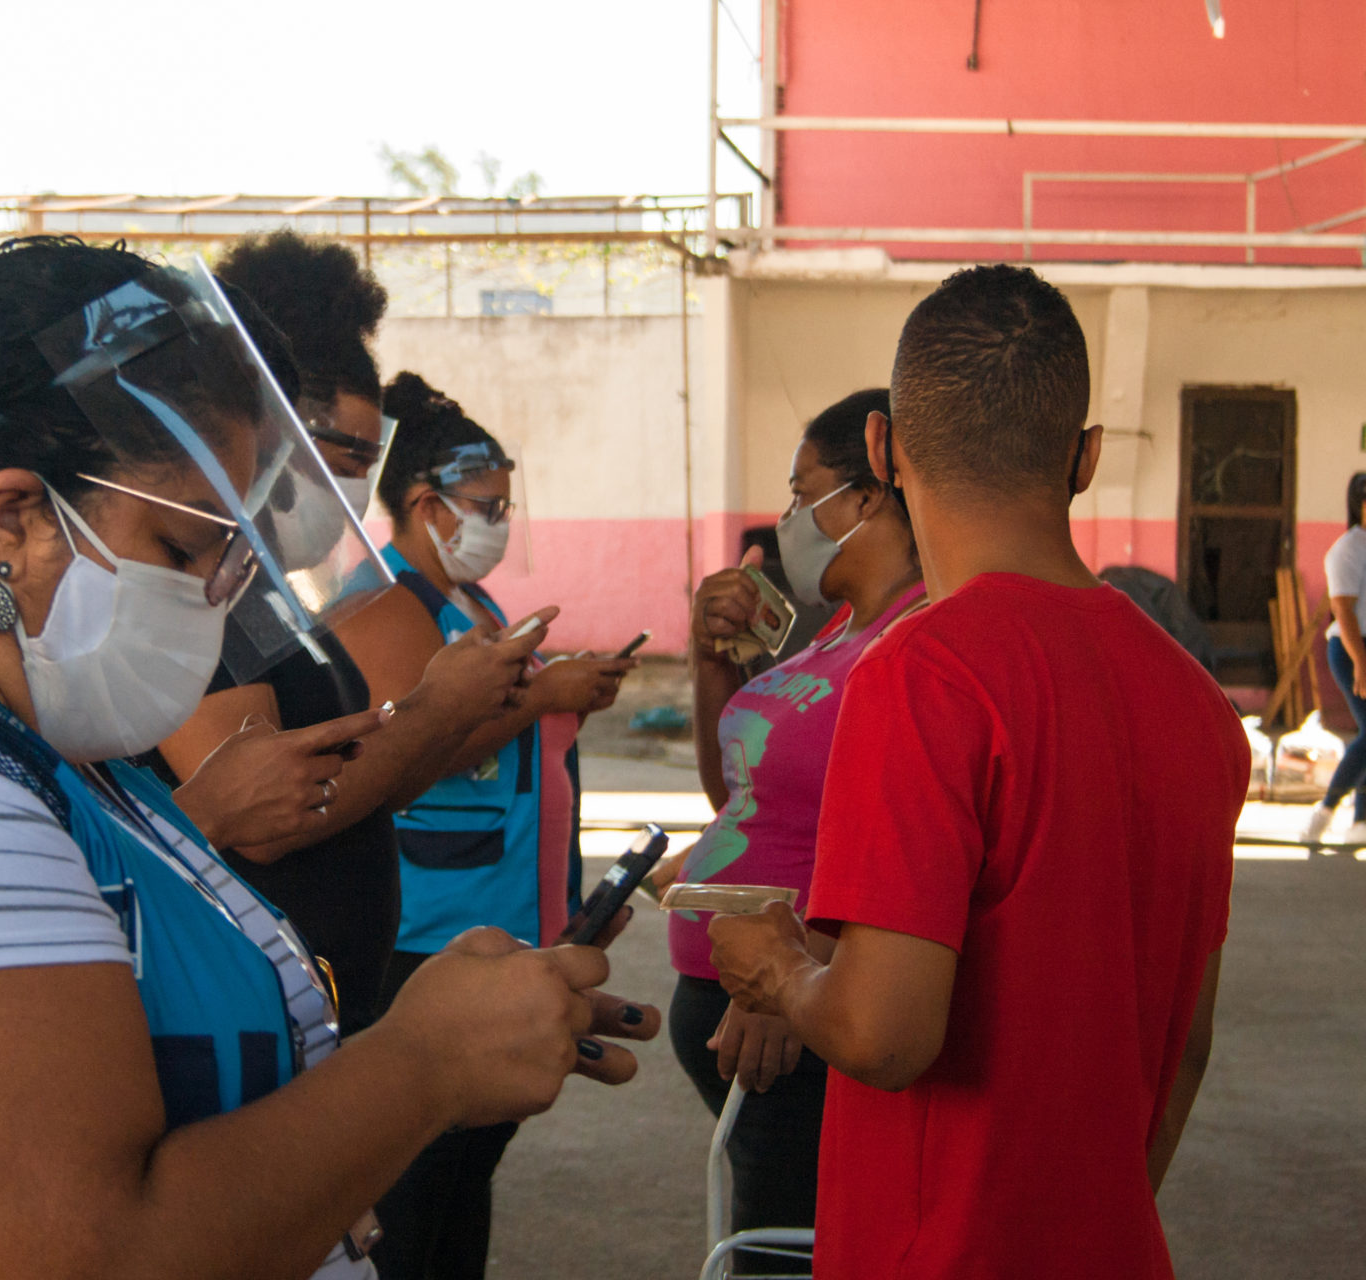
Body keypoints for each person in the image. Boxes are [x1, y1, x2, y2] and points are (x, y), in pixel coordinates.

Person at [0, 238, 659, 1280]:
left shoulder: (29, 747)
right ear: (12, 520)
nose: (211, 598)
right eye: (181, 550)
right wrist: (422, 1064)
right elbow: (85, 1252)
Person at [709, 264, 1245, 1279]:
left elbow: (885, 1031)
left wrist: (778, 965)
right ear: (1084, 458)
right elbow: (1188, 1043)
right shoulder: (1200, 706)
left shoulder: (919, 673)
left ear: (885, 448)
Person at [145, 231, 533, 1036]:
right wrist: (438, 709)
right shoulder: (206, 581)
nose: (355, 481)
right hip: (257, 1004)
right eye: (344, 453)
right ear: (272, 432)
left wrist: (447, 713)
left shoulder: (269, 587)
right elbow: (262, 804)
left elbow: (363, 783)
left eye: (368, 454)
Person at [335, 371, 638, 1280]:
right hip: (425, 936)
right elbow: (405, 743)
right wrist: (541, 692)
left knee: (465, 1185)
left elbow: (505, 750)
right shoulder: (386, 605)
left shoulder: (477, 607)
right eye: (485, 506)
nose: (498, 524)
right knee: (415, 1192)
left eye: (506, 505)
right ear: (425, 505)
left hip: (501, 915)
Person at [660, 388, 924, 1270]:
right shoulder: (831, 635)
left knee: (786, 1252)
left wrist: (798, 971)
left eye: (801, 491)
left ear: (866, 496)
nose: (786, 520)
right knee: (767, 1239)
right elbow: (736, 798)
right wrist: (709, 661)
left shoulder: (917, 637)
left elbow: (906, 840)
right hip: (748, 996)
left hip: (794, 1012)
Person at [1301, 469, 1366, 844]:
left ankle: (1361, 822)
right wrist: (1360, 661)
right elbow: (1343, 609)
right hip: (1351, 647)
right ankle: (1325, 811)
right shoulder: (1349, 548)